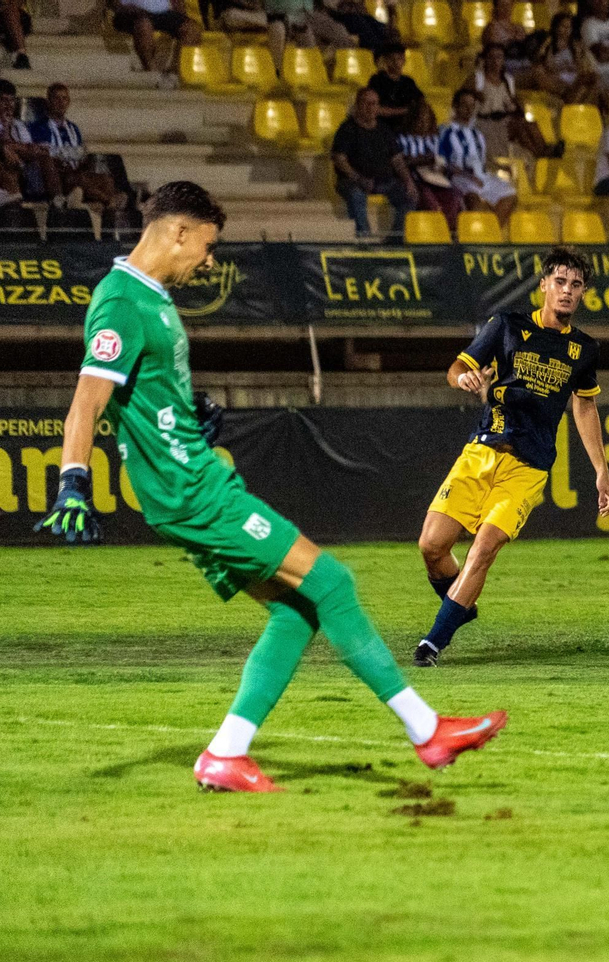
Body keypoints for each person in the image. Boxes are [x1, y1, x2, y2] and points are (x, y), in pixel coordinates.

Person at [35, 181, 504, 790]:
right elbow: (84, 404)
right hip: (189, 491)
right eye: (206, 246)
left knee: (295, 610)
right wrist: (73, 480)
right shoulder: (121, 301)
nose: (208, 260)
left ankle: (226, 755)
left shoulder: (148, 298)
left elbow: (140, 392)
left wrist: (181, 409)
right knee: (331, 582)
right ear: (178, 230)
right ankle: (427, 731)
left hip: (191, 479)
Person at [415, 249, 609, 667]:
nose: (567, 291)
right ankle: (461, 607)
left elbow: (585, 407)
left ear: (583, 294)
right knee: (432, 546)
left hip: (528, 467)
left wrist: (601, 472)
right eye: (560, 282)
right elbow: (457, 366)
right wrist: (463, 377)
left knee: (483, 548)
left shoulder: (584, 349)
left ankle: (433, 642)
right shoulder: (507, 326)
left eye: (576, 285)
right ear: (543, 285)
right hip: (482, 452)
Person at [331, 86, 417, 237]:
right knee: (357, 195)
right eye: (366, 103)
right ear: (358, 105)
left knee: (410, 196)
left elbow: (397, 160)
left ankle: (395, 240)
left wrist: (408, 180)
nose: (371, 108)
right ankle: (365, 239)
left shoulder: (384, 130)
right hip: (353, 180)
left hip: (383, 181)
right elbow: (339, 159)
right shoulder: (347, 129)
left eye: (374, 103)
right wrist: (359, 179)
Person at [28, 82, 124, 212]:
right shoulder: (38, 127)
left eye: (64, 98)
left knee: (105, 179)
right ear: (49, 102)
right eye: (57, 98)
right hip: (56, 176)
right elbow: (44, 154)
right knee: (75, 179)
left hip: (76, 172)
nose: (61, 102)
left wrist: (83, 161)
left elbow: (79, 154)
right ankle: (109, 201)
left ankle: (105, 209)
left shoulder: (73, 128)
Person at [0, 79, 59, 206]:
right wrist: (6, 142)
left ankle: (58, 200)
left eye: (12, 100)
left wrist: (9, 135)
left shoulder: (18, 125)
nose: (9, 105)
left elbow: (28, 149)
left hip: (21, 167)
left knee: (44, 155)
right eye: (4, 100)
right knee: (7, 163)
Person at [440, 87, 518, 223]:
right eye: (464, 105)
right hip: (460, 177)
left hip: (481, 176)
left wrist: (500, 167)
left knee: (510, 195)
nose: (469, 109)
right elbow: (443, 162)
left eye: (472, 106)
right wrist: (468, 176)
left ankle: (492, 234)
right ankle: (477, 234)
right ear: (455, 106)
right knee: (473, 200)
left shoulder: (477, 134)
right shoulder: (446, 132)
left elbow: (481, 158)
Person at [398, 97, 459, 228]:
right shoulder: (402, 139)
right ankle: (437, 232)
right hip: (417, 181)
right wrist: (421, 160)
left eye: (426, 119)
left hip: (437, 179)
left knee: (455, 197)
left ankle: (448, 234)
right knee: (429, 201)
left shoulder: (435, 140)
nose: (423, 123)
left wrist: (442, 166)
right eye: (420, 119)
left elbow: (443, 162)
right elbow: (400, 163)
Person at [108, 0, 201, 76]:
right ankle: (151, 70)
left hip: (161, 13)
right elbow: (114, 3)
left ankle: (176, 71)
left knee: (191, 29)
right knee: (144, 25)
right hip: (130, 12)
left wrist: (181, 14)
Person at [368, 43, 425, 130]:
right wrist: (405, 111)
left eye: (399, 58)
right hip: (383, 128)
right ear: (386, 60)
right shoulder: (376, 81)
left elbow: (420, 102)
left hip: (406, 128)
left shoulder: (408, 82)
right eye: (392, 59)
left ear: (404, 60)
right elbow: (376, 109)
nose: (396, 63)